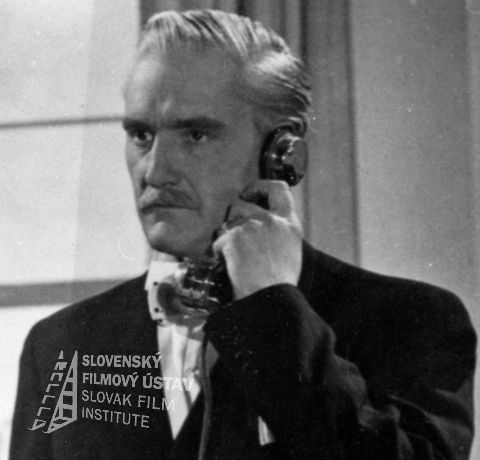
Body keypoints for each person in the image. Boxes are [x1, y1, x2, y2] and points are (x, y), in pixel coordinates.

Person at [10, 9, 476, 460]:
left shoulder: (409, 320)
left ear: (282, 151)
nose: (155, 171)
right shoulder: (60, 345)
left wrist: (272, 308)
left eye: (196, 135)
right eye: (141, 135)